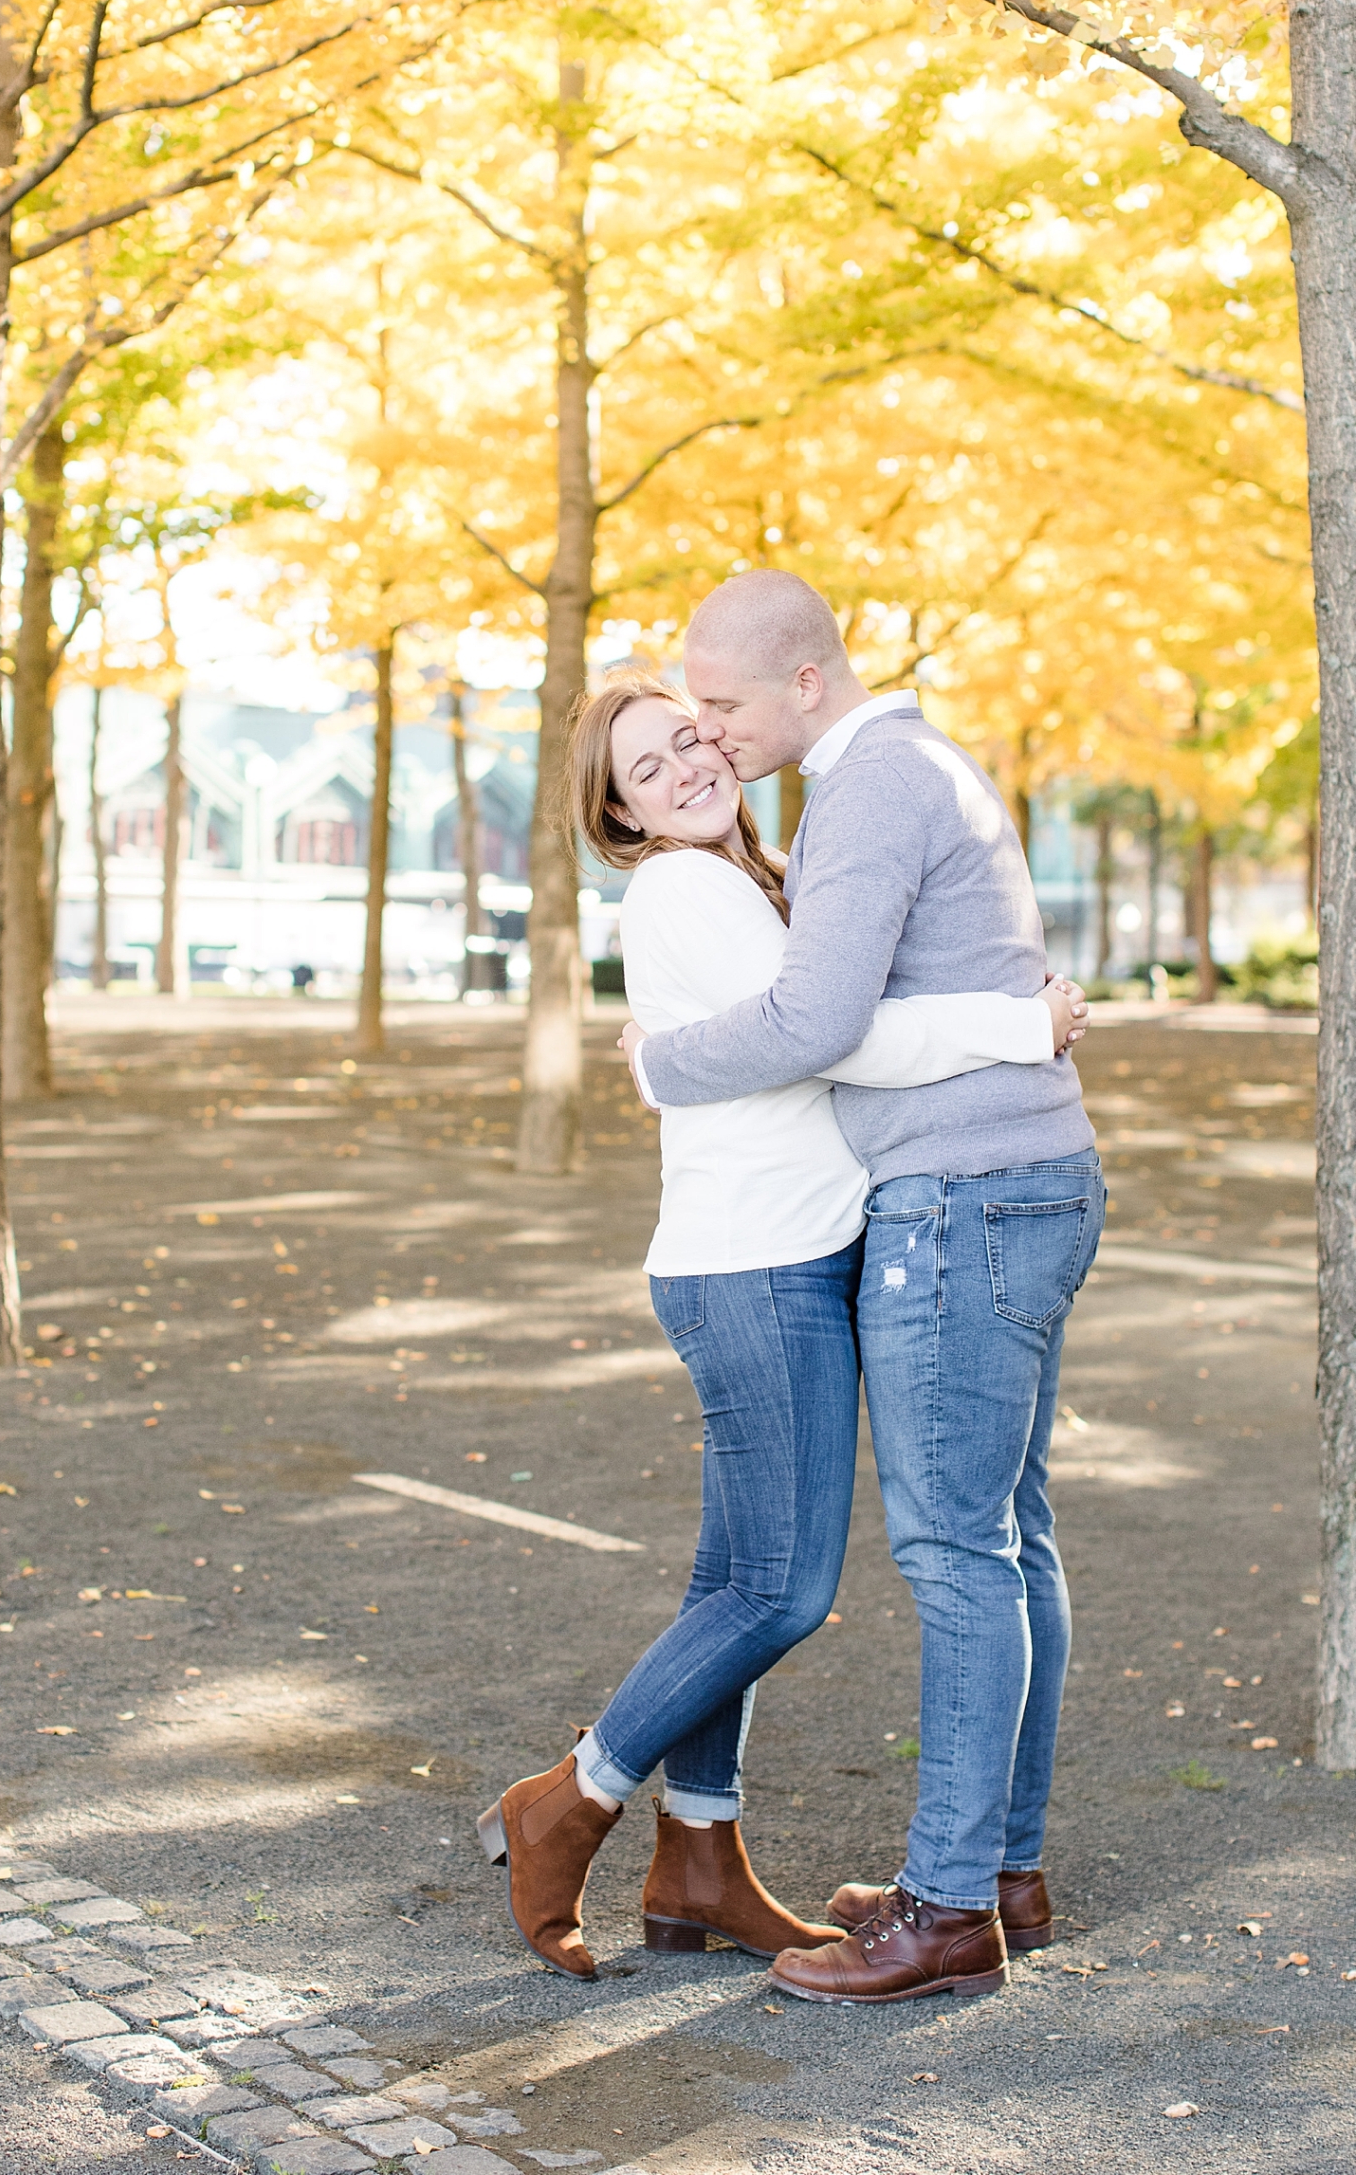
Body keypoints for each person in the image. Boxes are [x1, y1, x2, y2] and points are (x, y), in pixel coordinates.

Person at [476, 667, 1085, 1981]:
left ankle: (699, 1856)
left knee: (734, 1577)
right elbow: (835, 1035)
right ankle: (571, 1795)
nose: (688, 766)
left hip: (784, 1257)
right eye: (647, 770)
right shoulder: (691, 888)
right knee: (784, 1586)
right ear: (620, 817)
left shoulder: (765, 871)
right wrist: (1016, 1024)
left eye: (690, 738)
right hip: (758, 1271)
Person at [621, 572, 1105, 2006]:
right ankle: (999, 1872)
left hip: (959, 1201)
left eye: (719, 705)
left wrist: (657, 1061)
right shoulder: (920, 765)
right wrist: (1019, 1023)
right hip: (1021, 1182)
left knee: (960, 1554)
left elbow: (817, 1022)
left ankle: (951, 1911)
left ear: (805, 684)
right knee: (1010, 1536)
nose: (710, 734)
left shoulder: (868, 789)